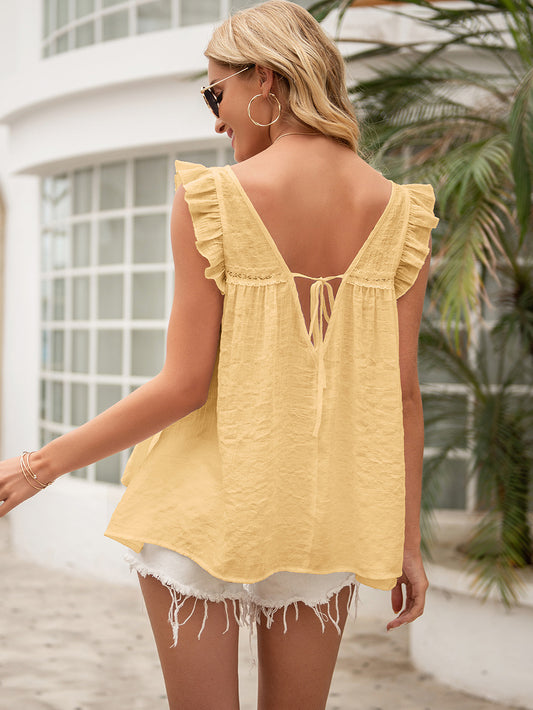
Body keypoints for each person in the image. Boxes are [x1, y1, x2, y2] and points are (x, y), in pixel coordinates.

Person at [0, 1, 438, 708]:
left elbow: (183, 386)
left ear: (263, 78)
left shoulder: (215, 199)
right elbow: (403, 397)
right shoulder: (403, 216)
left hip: (201, 513)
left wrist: (38, 466)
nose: (215, 119)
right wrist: (406, 544)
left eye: (215, 93)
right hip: (324, 525)